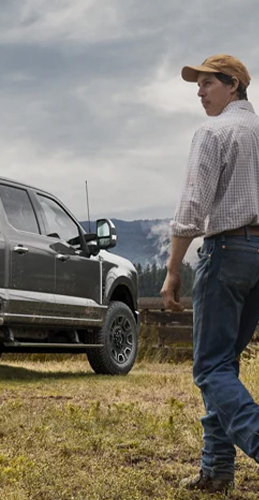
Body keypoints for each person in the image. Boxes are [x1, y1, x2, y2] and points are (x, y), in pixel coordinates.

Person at [160, 54, 259, 494]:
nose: (199, 92)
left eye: (206, 84)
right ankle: (216, 469)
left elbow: (192, 208)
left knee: (210, 367)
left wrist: (172, 269)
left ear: (233, 84)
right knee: (225, 364)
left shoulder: (214, 132)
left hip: (227, 249)